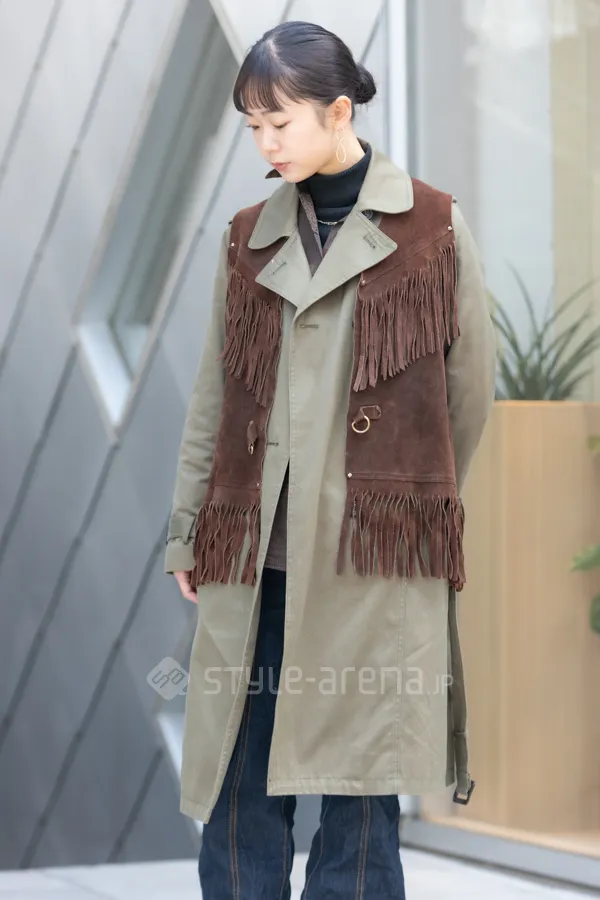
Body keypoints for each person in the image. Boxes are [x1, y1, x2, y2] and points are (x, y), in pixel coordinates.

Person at [164, 20, 496, 900]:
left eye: (280, 122)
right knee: (238, 774)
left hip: (370, 556)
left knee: (361, 787)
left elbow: (469, 393)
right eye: (253, 127)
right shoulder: (247, 235)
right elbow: (212, 397)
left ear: (338, 111)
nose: (266, 144)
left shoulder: (431, 226)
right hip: (254, 550)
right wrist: (187, 531)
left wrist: (405, 497)